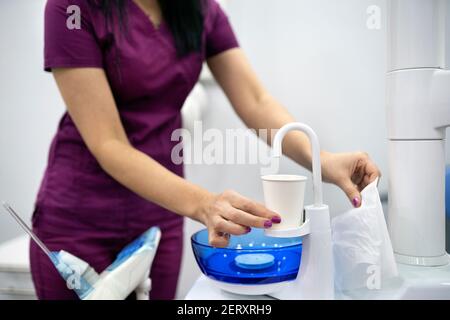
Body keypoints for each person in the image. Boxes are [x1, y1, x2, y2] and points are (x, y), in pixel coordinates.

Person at [30, 0, 381, 300]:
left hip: (159, 213)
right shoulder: (71, 8)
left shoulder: (199, 9)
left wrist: (322, 160)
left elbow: (256, 102)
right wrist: (203, 204)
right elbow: (109, 144)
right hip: (79, 218)